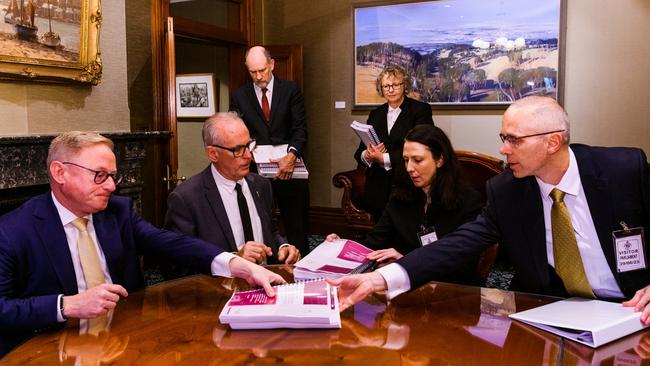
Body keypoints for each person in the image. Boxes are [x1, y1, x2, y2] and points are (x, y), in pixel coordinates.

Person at [329, 96, 650, 324]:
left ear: (552, 142)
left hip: (632, 308)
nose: (502, 149)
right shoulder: (506, 190)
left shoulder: (623, 171)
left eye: (513, 140)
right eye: (502, 137)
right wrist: (380, 279)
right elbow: (458, 243)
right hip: (552, 308)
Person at [0, 131, 284, 355]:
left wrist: (237, 264)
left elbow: (172, 243)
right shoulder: (13, 231)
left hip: (125, 337)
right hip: (51, 346)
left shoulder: (117, 212)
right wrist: (65, 305)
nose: (111, 186)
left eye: (113, 176)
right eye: (100, 175)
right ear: (60, 173)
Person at [328, 125, 482, 284]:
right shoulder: (400, 197)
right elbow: (374, 243)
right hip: (405, 289)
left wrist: (406, 262)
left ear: (440, 160)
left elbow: (463, 266)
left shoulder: (468, 201)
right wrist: (341, 246)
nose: (409, 168)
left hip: (453, 292)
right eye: (406, 160)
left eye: (418, 160)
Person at [165, 112, 301, 265]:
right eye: (238, 150)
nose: (249, 155)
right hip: (222, 287)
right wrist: (232, 260)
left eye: (249, 145)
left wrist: (283, 247)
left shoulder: (261, 185)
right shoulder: (186, 198)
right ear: (213, 154)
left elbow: (270, 231)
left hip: (267, 283)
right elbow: (177, 265)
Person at [230, 46, 310, 255]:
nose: (258, 76)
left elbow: (300, 129)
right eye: (253, 72)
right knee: (261, 220)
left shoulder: (290, 90)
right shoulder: (240, 96)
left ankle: (301, 268)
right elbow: (237, 130)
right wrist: (250, 146)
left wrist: (291, 156)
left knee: (296, 223)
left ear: (272, 64)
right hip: (257, 171)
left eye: (262, 70)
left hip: (290, 168)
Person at [354, 65, 434, 220]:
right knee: (380, 237)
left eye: (395, 85)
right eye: (386, 86)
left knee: (406, 237)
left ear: (404, 86)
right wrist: (368, 154)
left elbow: (423, 148)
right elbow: (359, 152)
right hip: (377, 188)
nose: (390, 89)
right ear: (381, 89)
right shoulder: (375, 114)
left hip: (408, 185)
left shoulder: (420, 110)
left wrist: (384, 158)